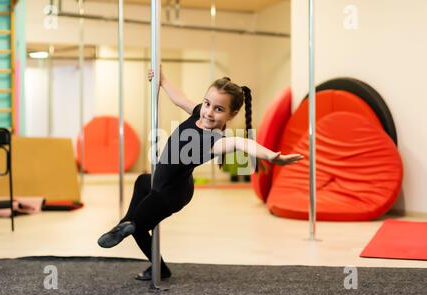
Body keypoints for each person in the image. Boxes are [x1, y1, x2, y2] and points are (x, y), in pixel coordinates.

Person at [97, 68, 303, 281]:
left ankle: (136, 235)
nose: (209, 112)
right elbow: (180, 100)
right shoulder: (198, 114)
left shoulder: (215, 141)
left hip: (172, 193)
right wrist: (163, 80)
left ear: (231, 115)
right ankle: (126, 223)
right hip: (160, 179)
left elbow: (242, 143)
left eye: (219, 109)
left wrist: (272, 157)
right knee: (142, 182)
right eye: (207, 104)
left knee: (140, 228)